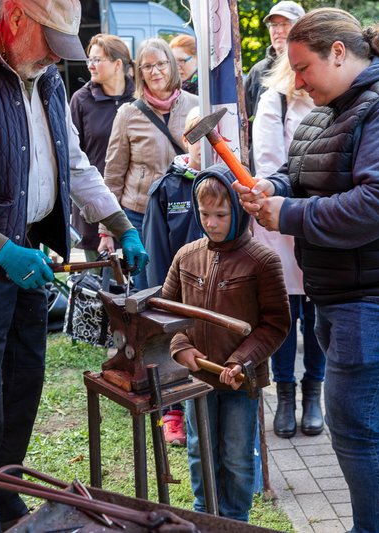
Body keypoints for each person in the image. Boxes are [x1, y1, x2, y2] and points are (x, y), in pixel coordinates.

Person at [0, 0, 148, 530]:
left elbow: (73, 163)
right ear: (15, 17)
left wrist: (119, 223)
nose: (53, 59)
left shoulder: (45, 79)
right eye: (49, 43)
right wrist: (2, 250)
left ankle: (3, 487)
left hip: (28, 258)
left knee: (23, 385)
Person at [234, 9, 379, 532]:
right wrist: (275, 187)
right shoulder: (331, 109)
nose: (296, 80)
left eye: (303, 66)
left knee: (359, 421)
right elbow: (304, 172)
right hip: (357, 293)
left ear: (339, 52)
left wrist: (288, 214)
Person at [162, 165, 290, 521]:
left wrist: (242, 361)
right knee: (199, 449)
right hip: (198, 379)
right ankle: (204, 515)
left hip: (239, 381)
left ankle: (235, 520)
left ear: (238, 211)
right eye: (204, 214)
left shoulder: (263, 262)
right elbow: (164, 313)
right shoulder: (186, 256)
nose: (211, 223)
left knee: (235, 453)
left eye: (221, 214)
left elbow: (276, 324)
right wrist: (180, 347)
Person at [252, 52, 323, 439]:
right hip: (283, 220)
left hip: (321, 221)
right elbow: (269, 164)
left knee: (316, 316)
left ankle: (314, 394)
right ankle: (285, 394)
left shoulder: (336, 97)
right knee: (283, 314)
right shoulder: (276, 100)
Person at [100, 37, 197, 291]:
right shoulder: (128, 114)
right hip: (139, 215)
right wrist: (107, 230)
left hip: (185, 212)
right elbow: (113, 174)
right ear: (139, 71)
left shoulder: (195, 106)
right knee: (148, 290)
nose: (155, 71)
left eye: (161, 64)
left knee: (187, 285)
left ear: (172, 66)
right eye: (147, 66)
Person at [143, 107, 204, 446]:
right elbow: (155, 247)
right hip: (179, 289)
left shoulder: (226, 181)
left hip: (216, 288)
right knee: (175, 347)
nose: (206, 142)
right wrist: (164, 297)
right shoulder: (167, 189)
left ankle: (204, 406)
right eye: (198, 135)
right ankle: (173, 413)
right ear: (185, 140)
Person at [69, 33, 135, 262]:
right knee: (101, 287)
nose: (91, 65)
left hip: (135, 205)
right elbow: (71, 156)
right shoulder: (81, 100)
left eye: (97, 60)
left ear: (118, 64)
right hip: (95, 206)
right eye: (89, 59)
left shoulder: (139, 98)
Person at [244, 1, 304, 134]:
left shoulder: (310, 67)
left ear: (302, 27)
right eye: (274, 25)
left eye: (285, 24)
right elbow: (244, 120)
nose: (279, 30)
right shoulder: (257, 72)